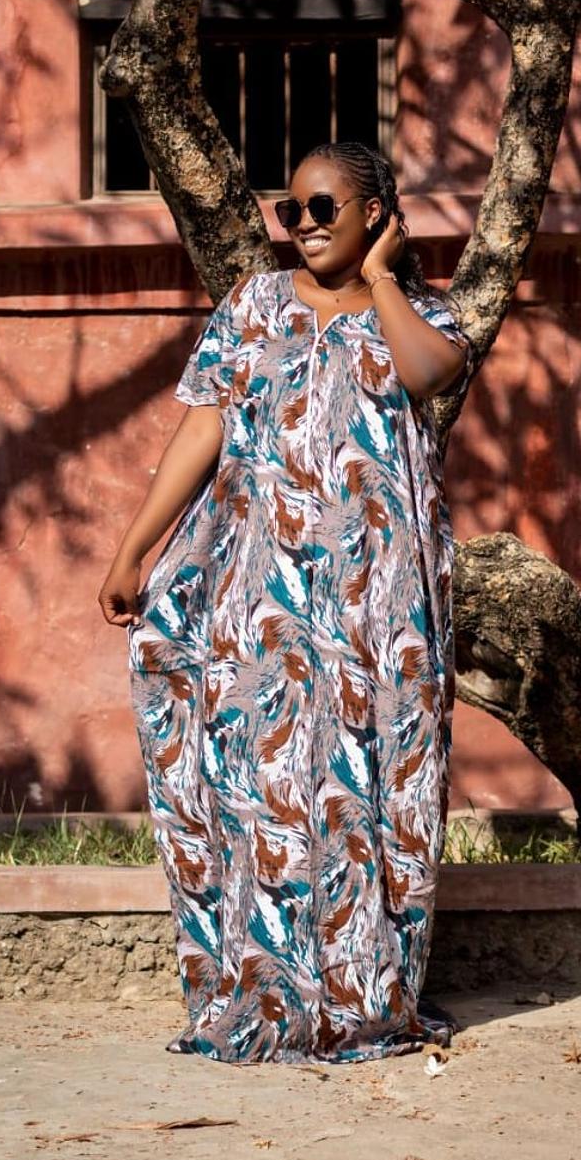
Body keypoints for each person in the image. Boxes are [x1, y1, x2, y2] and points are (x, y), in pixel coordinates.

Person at [98, 140, 473, 1064]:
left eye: (322, 208)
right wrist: (134, 547)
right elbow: (204, 428)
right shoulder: (254, 305)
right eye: (290, 210)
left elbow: (429, 375)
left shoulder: (424, 312)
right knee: (262, 785)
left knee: (371, 785)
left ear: (374, 215)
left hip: (379, 603)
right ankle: (264, 995)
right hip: (259, 590)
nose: (301, 224)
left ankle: (363, 998)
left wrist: (381, 279)